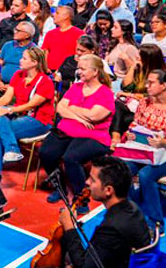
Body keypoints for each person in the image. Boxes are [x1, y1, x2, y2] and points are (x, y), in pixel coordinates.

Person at [11, 156, 150, 268]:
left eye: (92, 179)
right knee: (52, 267)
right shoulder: (133, 210)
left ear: (108, 190)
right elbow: (102, 255)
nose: (87, 182)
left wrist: (70, 227)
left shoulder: (112, 227)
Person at [113, 70, 166, 231]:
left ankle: (156, 221)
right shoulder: (144, 103)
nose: (146, 85)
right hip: (144, 152)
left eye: (151, 83)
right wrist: (131, 135)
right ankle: (130, 209)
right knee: (121, 168)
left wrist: (164, 143)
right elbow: (135, 126)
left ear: (164, 86)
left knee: (146, 175)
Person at [39, 54, 115, 210]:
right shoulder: (76, 87)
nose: (79, 71)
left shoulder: (105, 93)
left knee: (71, 158)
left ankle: (82, 199)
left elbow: (94, 116)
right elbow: (60, 108)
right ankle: (59, 188)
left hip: (94, 135)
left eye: (83, 68)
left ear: (95, 72)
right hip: (67, 130)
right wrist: (78, 117)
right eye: (78, 68)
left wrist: (72, 108)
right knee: (46, 152)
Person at [0, 47, 56, 183]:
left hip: (39, 120)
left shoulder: (45, 82)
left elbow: (32, 105)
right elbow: (7, 97)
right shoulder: (18, 75)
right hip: (19, 114)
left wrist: (8, 110)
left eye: (24, 58)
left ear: (35, 62)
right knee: (0, 119)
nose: (20, 60)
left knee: (2, 130)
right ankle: (11, 150)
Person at [41, 6, 83, 72]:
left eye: (57, 13)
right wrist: (45, 68)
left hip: (68, 72)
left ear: (66, 16)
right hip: (49, 72)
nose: (53, 15)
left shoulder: (79, 34)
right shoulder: (50, 33)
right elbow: (45, 52)